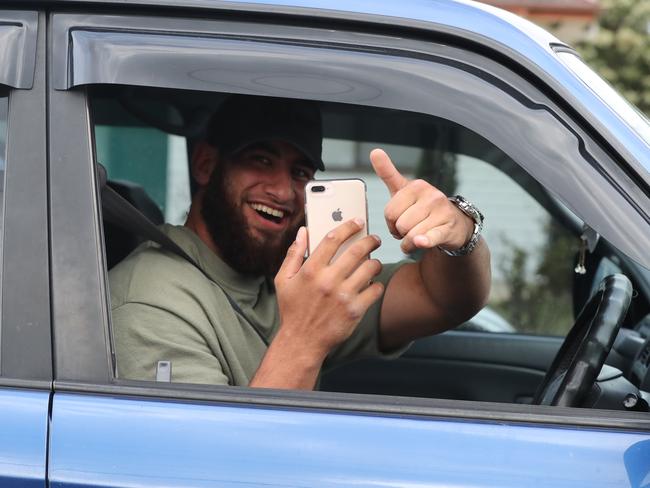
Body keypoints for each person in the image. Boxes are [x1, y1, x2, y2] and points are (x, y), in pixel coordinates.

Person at [110, 94, 491, 389]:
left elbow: (442, 298)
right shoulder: (150, 301)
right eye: (260, 160)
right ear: (206, 165)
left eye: (300, 172)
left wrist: (458, 234)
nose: (282, 191)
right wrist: (307, 336)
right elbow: (219, 467)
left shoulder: (288, 281)